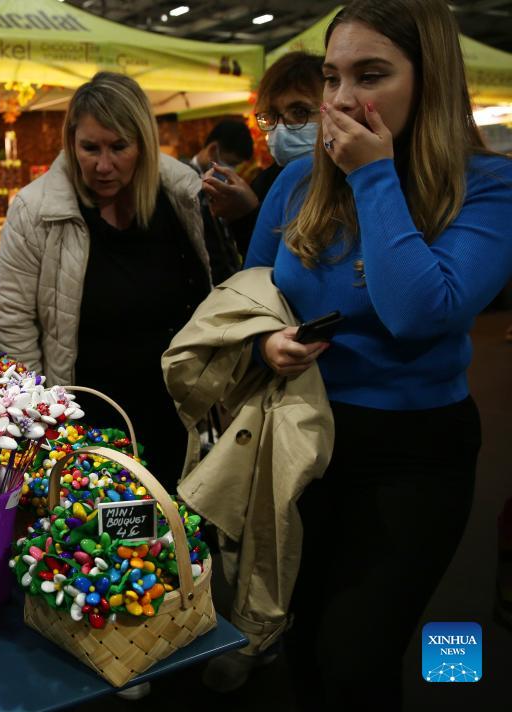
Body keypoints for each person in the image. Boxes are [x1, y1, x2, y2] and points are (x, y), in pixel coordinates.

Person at [243, 0, 512, 707]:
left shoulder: (488, 187)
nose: (340, 101)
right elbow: (244, 300)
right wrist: (263, 342)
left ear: (430, 80)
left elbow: (422, 312)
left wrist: (373, 176)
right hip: (304, 436)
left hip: (415, 453)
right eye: (333, 78)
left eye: (371, 75)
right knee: (297, 640)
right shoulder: (296, 185)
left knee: (357, 657)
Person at [0, 71, 211, 483]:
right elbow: (14, 320)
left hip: (173, 416)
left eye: (119, 148)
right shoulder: (36, 211)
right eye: (89, 148)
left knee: (172, 534)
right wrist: (43, 417)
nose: (103, 165)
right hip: (83, 422)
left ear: (143, 144)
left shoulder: (184, 198)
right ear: (71, 142)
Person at [202, 52, 325, 258]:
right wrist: (245, 214)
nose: (282, 128)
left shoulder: (356, 182)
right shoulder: (266, 184)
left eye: (300, 112)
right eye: (273, 116)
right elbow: (262, 270)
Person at [184, 120, 254, 285]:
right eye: (232, 163)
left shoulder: (223, 187)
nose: (233, 170)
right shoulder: (184, 182)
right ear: (213, 150)